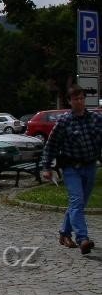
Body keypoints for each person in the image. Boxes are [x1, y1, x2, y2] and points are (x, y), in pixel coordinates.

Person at [42, 84, 102, 254]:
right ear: (69, 101)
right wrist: (46, 167)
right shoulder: (64, 121)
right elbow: (51, 145)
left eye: (82, 98)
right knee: (76, 201)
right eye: (76, 99)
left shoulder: (95, 119)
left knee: (79, 204)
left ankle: (64, 233)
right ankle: (83, 239)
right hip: (71, 169)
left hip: (90, 167)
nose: (80, 101)